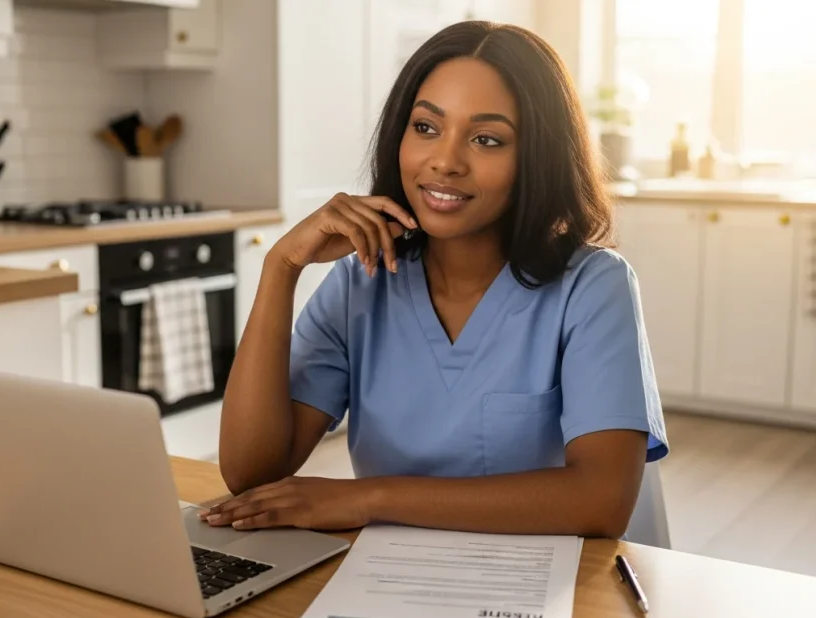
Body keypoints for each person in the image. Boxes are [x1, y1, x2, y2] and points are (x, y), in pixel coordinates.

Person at [201, 20, 668, 538]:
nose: (444, 162)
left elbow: (600, 502)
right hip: (394, 582)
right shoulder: (361, 282)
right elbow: (250, 474)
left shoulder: (593, 287)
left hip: (552, 587)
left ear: (537, 158)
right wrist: (281, 267)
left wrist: (368, 498)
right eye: (425, 128)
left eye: (487, 139)